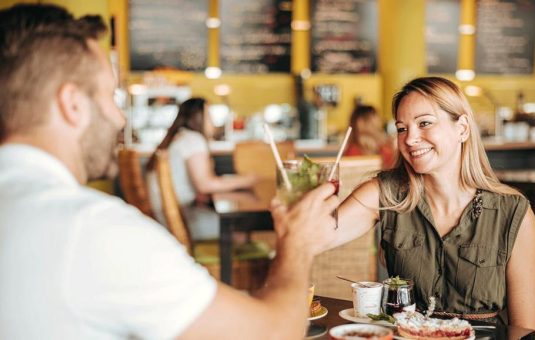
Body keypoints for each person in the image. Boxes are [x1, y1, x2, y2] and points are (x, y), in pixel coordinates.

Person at [0, 4, 338, 339]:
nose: (120, 119)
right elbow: (274, 333)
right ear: (71, 104)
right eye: (109, 96)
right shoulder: (95, 230)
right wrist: (298, 243)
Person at [335, 77, 535, 333]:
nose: (410, 139)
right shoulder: (385, 192)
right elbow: (320, 234)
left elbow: (525, 330)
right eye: (401, 128)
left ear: (462, 128)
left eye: (425, 123)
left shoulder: (512, 213)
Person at [146, 97, 257, 240]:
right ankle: (236, 261)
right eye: (209, 115)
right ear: (198, 118)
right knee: (238, 230)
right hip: (178, 219)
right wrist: (247, 180)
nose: (213, 122)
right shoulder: (193, 139)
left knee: (233, 222)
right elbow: (205, 184)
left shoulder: (181, 136)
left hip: (165, 215)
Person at [344, 104, 397, 168]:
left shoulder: (386, 144)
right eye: (374, 116)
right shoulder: (353, 150)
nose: (379, 120)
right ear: (360, 122)